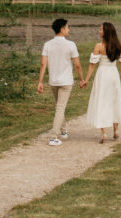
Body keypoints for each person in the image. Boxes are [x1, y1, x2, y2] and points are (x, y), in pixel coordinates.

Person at [37, 17, 84, 146]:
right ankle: (53, 137)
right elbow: (77, 65)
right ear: (62, 29)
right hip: (66, 81)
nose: (69, 29)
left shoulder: (47, 44)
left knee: (59, 106)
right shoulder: (71, 45)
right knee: (60, 107)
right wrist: (81, 79)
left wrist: (40, 82)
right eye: (67, 27)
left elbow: (43, 64)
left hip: (54, 81)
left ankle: (63, 131)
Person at [81, 21, 121, 144]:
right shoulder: (118, 46)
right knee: (114, 100)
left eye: (101, 29)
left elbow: (92, 65)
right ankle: (115, 130)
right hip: (114, 75)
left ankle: (104, 133)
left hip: (102, 75)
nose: (99, 31)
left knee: (101, 101)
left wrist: (86, 79)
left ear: (106, 32)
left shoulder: (99, 46)